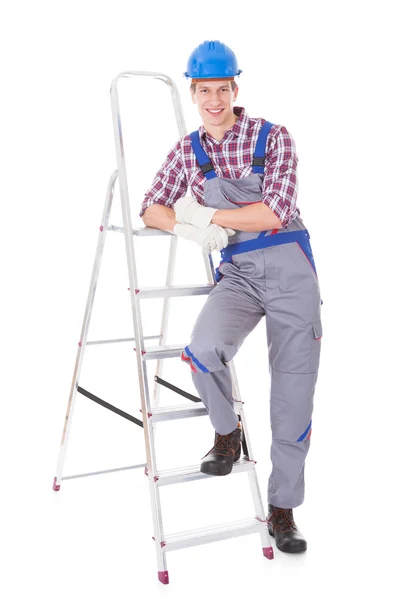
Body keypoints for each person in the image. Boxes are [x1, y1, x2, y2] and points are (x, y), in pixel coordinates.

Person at [140, 40, 322, 554]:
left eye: (223, 89)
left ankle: (282, 510)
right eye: (205, 91)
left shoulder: (272, 137)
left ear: (235, 89)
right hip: (239, 274)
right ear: (193, 93)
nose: (214, 99)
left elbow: (274, 213)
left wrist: (206, 216)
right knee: (201, 351)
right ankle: (228, 430)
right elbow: (152, 208)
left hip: (291, 272)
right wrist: (189, 229)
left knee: (292, 399)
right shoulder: (187, 150)